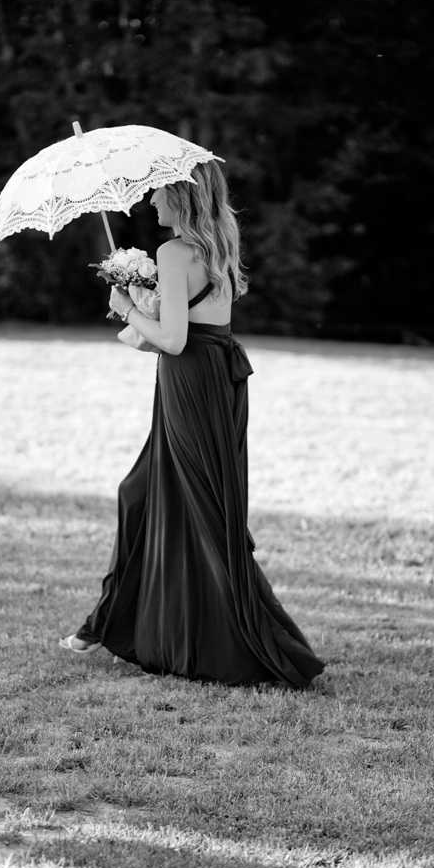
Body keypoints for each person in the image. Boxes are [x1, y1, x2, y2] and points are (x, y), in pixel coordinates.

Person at [59, 160, 325, 688]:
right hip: (210, 379)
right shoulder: (218, 244)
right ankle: (108, 624)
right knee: (148, 495)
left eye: (159, 195)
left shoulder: (175, 252)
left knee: (195, 507)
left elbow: (176, 340)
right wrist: (145, 305)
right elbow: (199, 329)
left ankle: (224, 641)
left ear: (181, 199)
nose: (151, 203)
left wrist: (125, 309)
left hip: (191, 384)